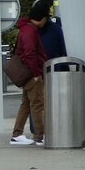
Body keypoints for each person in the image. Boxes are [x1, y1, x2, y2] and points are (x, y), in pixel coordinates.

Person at [11, 0, 49, 146]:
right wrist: (35, 74)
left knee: (26, 104)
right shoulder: (30, 31)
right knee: (37, 104)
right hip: (31, 74)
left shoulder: (25, 29)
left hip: (27, 73)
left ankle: (17, 134)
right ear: (42, 18)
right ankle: (40, 136)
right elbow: (30, 53)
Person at [27, 7, 67, 137]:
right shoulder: (54, 29)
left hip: (44, 70)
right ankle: (41, 131)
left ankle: (39, 131)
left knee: (36, 103)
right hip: (43, 71)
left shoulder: (31, 30)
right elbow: (62, 49)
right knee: (41, 103)